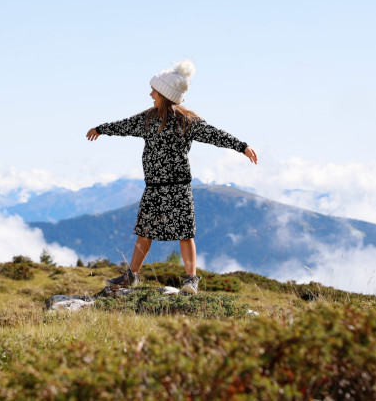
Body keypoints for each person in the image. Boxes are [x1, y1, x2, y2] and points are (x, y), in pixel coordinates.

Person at [85, 59, 257, 294]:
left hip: (177, 187)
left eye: (154, 91)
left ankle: (190, 280)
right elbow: (123, 125)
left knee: (182, 234)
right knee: (147, 233)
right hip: (156, 187)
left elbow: (215, 135)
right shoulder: (147, 119)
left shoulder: (187, 121)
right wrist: (101, 129)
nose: (150, 95)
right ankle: (132, 276)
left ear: (165, 94)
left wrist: (242, 146)